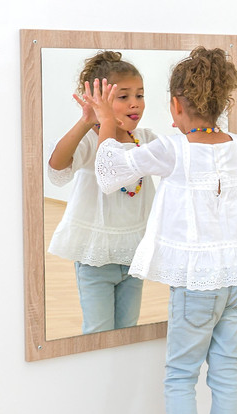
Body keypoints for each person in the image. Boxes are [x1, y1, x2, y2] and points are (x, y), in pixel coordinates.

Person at [84, 47, 237, 414]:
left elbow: (110, 174)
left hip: (198, 284)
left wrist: (104, 118)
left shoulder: (172, 149)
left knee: (181, 375)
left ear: (176, 104)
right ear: (221, 101)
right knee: (226, 372)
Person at [47, 51, 158, 334]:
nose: (135, 103)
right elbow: (57, 166)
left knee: (127, 329)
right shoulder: (89, 139)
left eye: (140, 95)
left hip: (133, 254)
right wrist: (87, 121)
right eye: (123, 96)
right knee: (98, 331)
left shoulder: (145, 140)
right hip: (95, 257)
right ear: (99, 102)